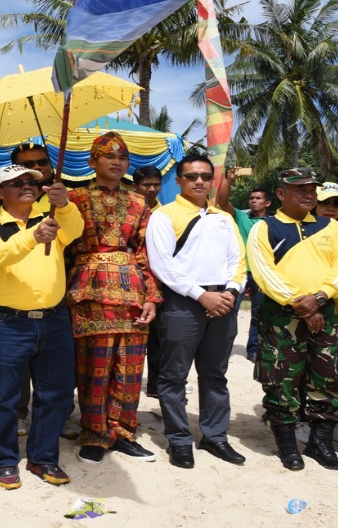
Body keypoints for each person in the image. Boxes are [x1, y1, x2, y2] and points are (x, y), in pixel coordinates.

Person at [0, 164, 83, 489]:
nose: (27, 186)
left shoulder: (51, 216)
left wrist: (64, 204)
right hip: (5, 324)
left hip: (54, 321)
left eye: (32, 182)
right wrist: (33, 237)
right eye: (16, 183)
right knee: (2, 398)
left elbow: (74, 229)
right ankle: (4, 460)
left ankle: (43, 457)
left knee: (56, 395)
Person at [247, 168, 338, 471]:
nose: (309, 194)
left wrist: (319, 299)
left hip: (324, 313)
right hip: (282, 317)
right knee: (281, 381)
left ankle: (321, 444)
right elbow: (264, 273)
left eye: (312, 189)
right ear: (281, 194)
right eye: (300, 189)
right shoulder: (265, 227)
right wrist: (303, 305)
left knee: (328, 379)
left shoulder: (331, 227)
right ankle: (287, 444)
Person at [66, 131, 162, 464]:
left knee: (131, 367)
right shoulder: (74, 197)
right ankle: (94, 432)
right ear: (93, 162)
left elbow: (146, 251)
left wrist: (151, 295)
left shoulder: (139, 202)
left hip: (133, 291)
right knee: (95, 367)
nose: (117, 162)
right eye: (109, 156)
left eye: (122, 157)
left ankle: (122, 431)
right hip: (90, 291)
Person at [146, 154, 246, 469]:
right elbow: (162, 265)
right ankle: (179, 440)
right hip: (183, 303)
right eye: (191, 176)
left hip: (224, 303)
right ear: (179, 180)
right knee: (174, 375)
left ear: (212, 179)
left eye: (205, 175)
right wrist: (202, 295)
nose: (199, 181)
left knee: (215, 374)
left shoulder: (224, 218)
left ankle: (215, 437)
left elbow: (238, 261)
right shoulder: (164, 216)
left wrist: (230, 291)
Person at [216, 167, 271, 363]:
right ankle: (223, 347)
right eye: (252, 198)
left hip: (261, 273)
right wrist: (229, 180)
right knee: (230, 310)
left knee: (258, 313)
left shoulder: (273, 223)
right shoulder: (241, 216)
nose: (254, 201)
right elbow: (222, 202)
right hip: (238, 272)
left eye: (258, 198)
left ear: (268, 202)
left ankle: (253, 349)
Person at [133, 165, 164, 399]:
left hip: (160, 284)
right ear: (136, 186)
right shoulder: (129, 211)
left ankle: (155, 387)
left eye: (155, 184)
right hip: (132, 283)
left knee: (158, 342)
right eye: (146, 185)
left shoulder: (166, 214)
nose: (151, 189)